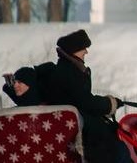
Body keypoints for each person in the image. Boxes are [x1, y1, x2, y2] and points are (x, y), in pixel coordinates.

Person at [46, 29, 131, 163]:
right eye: (83, 48)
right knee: (119, 150)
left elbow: (83, 99)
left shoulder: (68, 69)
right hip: (84, 133)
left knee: (118, 147)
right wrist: (110, 104)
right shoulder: (69, 72)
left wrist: (108, 103)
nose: (86, 52)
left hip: (83, 126)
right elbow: (85, 102)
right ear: (74, 50)